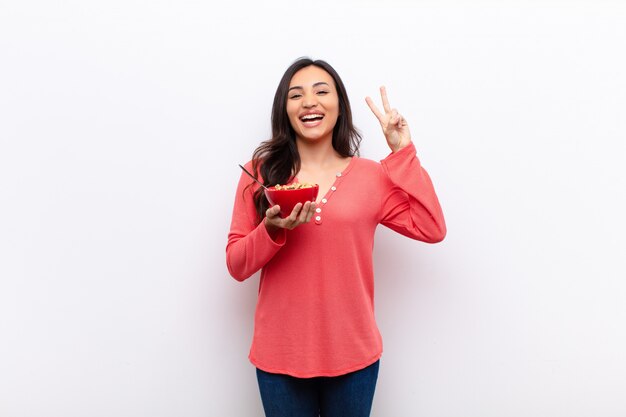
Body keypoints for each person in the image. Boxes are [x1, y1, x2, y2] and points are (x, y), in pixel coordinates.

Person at [225, 57, 446, 417]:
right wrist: (271, 229)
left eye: (321, 91)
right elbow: (236, 264)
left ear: (339, 106)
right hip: (279, 355)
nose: (309, 102)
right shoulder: (261, 174)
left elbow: (431, 227)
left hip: (354, 357)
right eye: (296, 95)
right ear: (285, 109)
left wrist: (402, 152)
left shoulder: (371, 176)